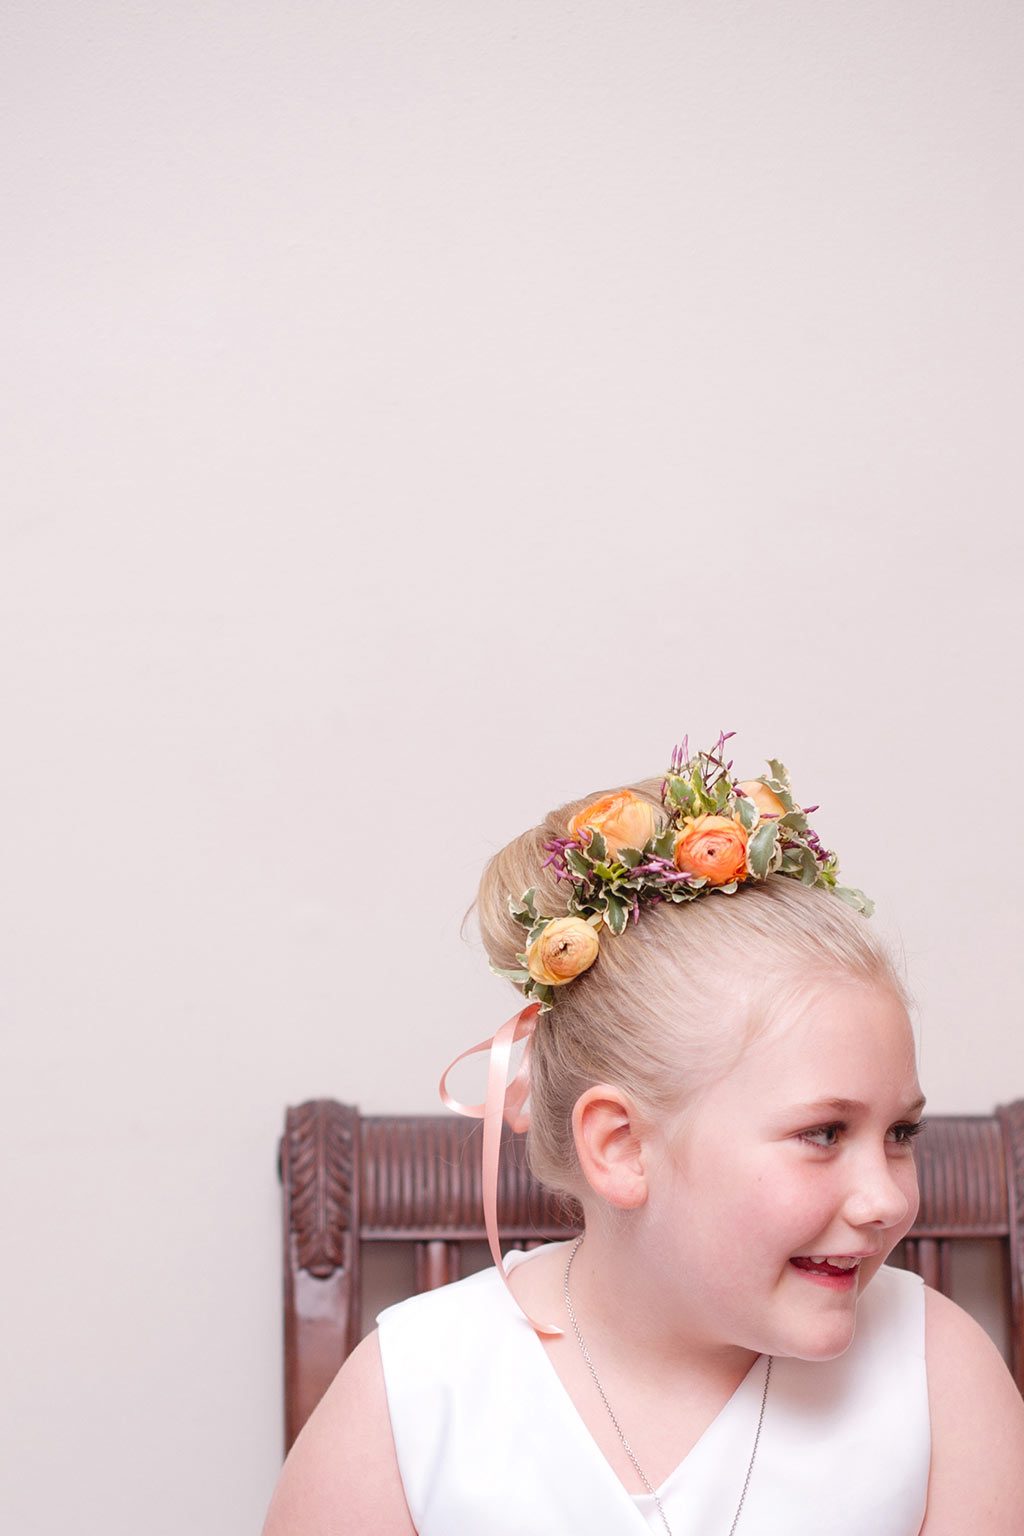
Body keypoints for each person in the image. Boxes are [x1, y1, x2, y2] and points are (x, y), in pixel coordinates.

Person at [262, 738, 1024, 1535]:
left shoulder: (939, 1375)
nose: (886, 1199)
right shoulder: (415, 1395)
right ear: (621, 1147)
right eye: (824, 1133)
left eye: (901, 1131)